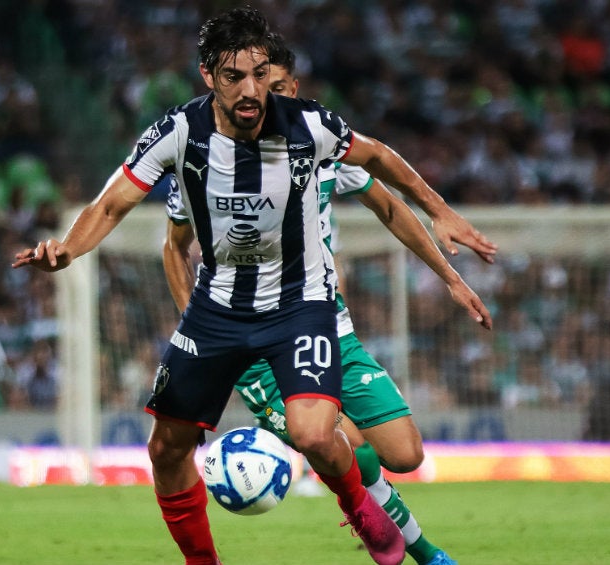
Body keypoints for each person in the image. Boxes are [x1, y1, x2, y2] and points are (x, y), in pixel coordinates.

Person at [13, 8, 487, 565]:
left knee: (319, 435)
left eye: (260, 75)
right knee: (166, 449)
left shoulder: (308, 126)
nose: (251, 90)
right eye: (234, 76)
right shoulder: (178, 133)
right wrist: (69, 249)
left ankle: (360, 505)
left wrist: (440, 211)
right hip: (217, 309)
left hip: (301, 304)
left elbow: (379, 156)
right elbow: (112, 203)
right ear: (208, 75)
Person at [161, 35, 493, 565]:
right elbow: (174, 248)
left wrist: (451, 278)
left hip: (328, 327)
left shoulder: (321, 146)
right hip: (254, 342)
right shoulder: (204, 158)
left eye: (273, 86)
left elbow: (391, 208)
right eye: (248, 85)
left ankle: (357, 490)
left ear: (292, 90)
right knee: (347, 447)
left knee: (405, 454)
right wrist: (200, 335)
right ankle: (426, 554)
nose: (260, 96)